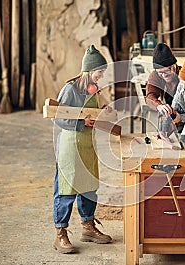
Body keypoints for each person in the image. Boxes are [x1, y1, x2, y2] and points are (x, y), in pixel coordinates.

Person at [52, 45, 112, 254]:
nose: (101, 76)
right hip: (70, 144)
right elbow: (58, 116)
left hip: (87, 145)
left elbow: (90, 114)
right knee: (66, 190)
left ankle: (88, 227)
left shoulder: (93, 90)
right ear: (88, 70)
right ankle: (60, 234)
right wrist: (80, 123)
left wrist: (101, 112)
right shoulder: (69, 89)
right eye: (99, 72)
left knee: (89, 187)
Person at [145, 43, 182, 134]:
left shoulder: (184, 74)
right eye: (160, 72)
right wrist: (159, 106)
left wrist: (183, 117)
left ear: (174, 65)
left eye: (167, 70)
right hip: (169, 116)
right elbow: (150, 96)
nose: (164, 75)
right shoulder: (156, 75)